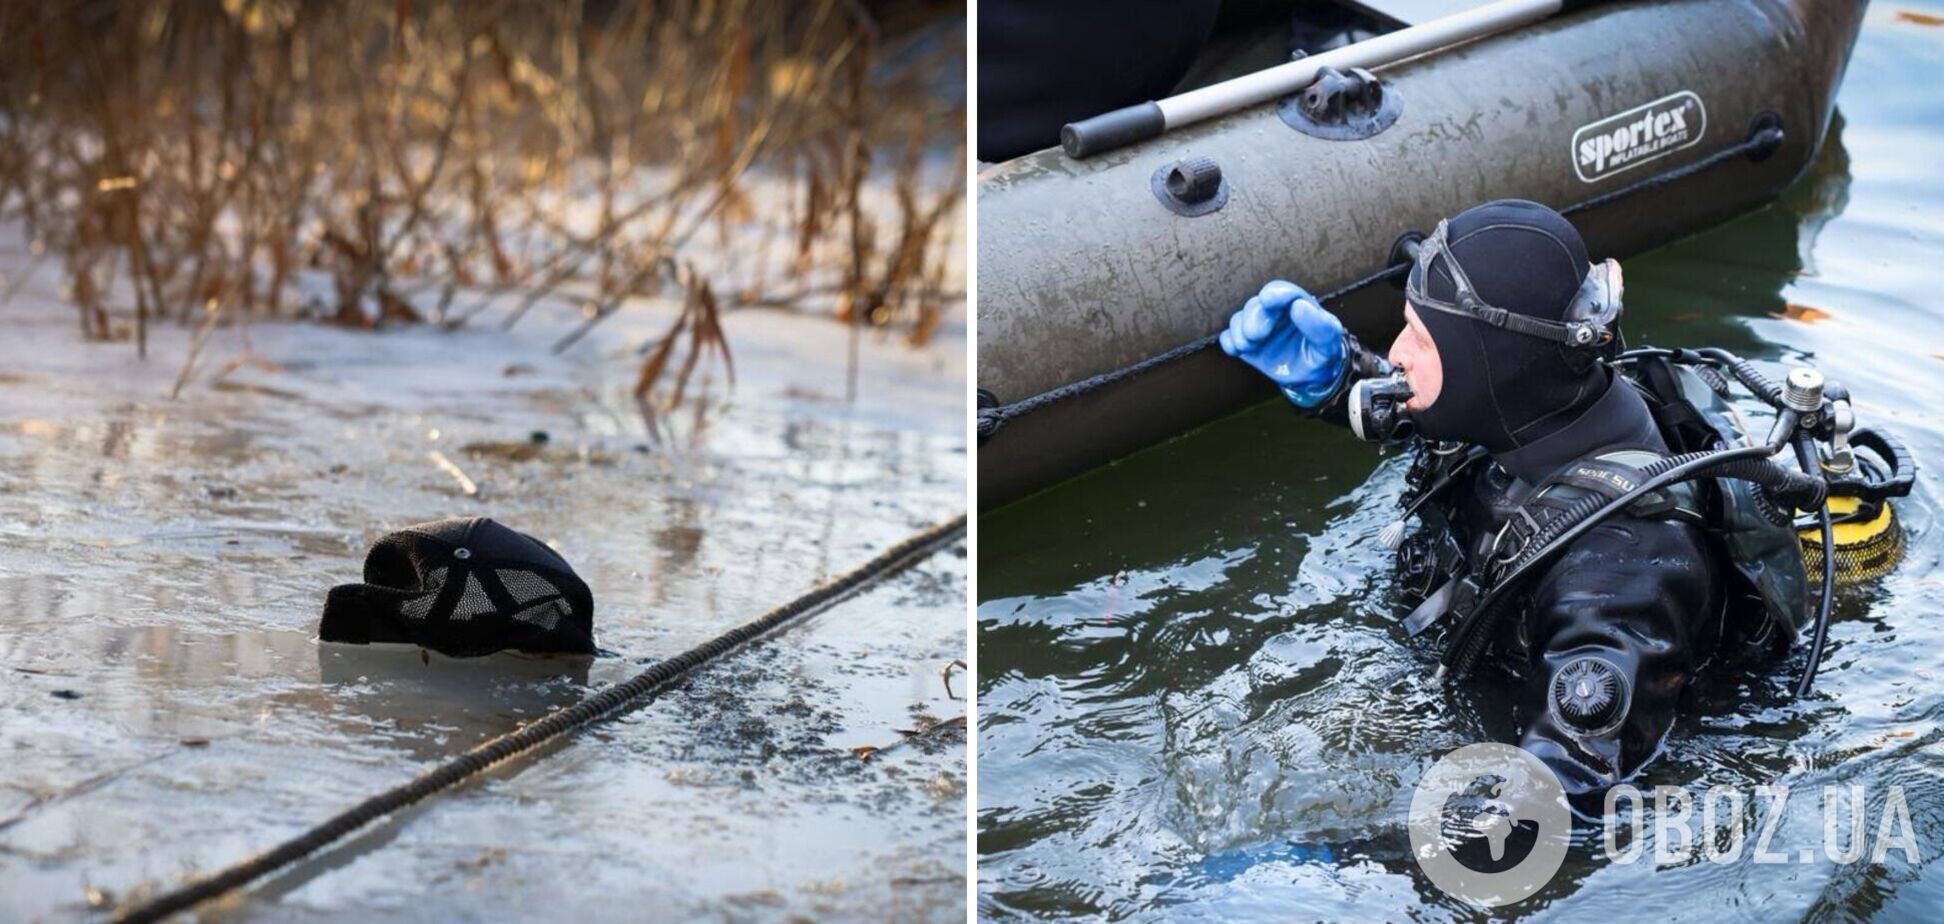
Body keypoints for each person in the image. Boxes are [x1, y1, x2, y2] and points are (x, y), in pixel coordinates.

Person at [1219, 199, 1797, 795]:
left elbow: (1559, 798)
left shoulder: (1620, 577)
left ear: (1489, 367)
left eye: (1419, 336)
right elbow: (1449, 414)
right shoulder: (1543, 404)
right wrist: (1344, 379)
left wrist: (1339, 861)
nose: (1395, 353)